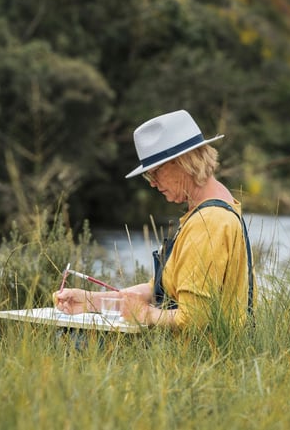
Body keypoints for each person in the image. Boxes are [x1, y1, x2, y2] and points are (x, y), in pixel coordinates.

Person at [53, 110, 254, 331]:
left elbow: (194, 318)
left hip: (198, 363)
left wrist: (145, 314)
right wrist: (90, 301)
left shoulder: (208, 223)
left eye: (154, 173)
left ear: (182, 162)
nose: (152, 183)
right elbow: (157, 291)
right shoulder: (215, 208)